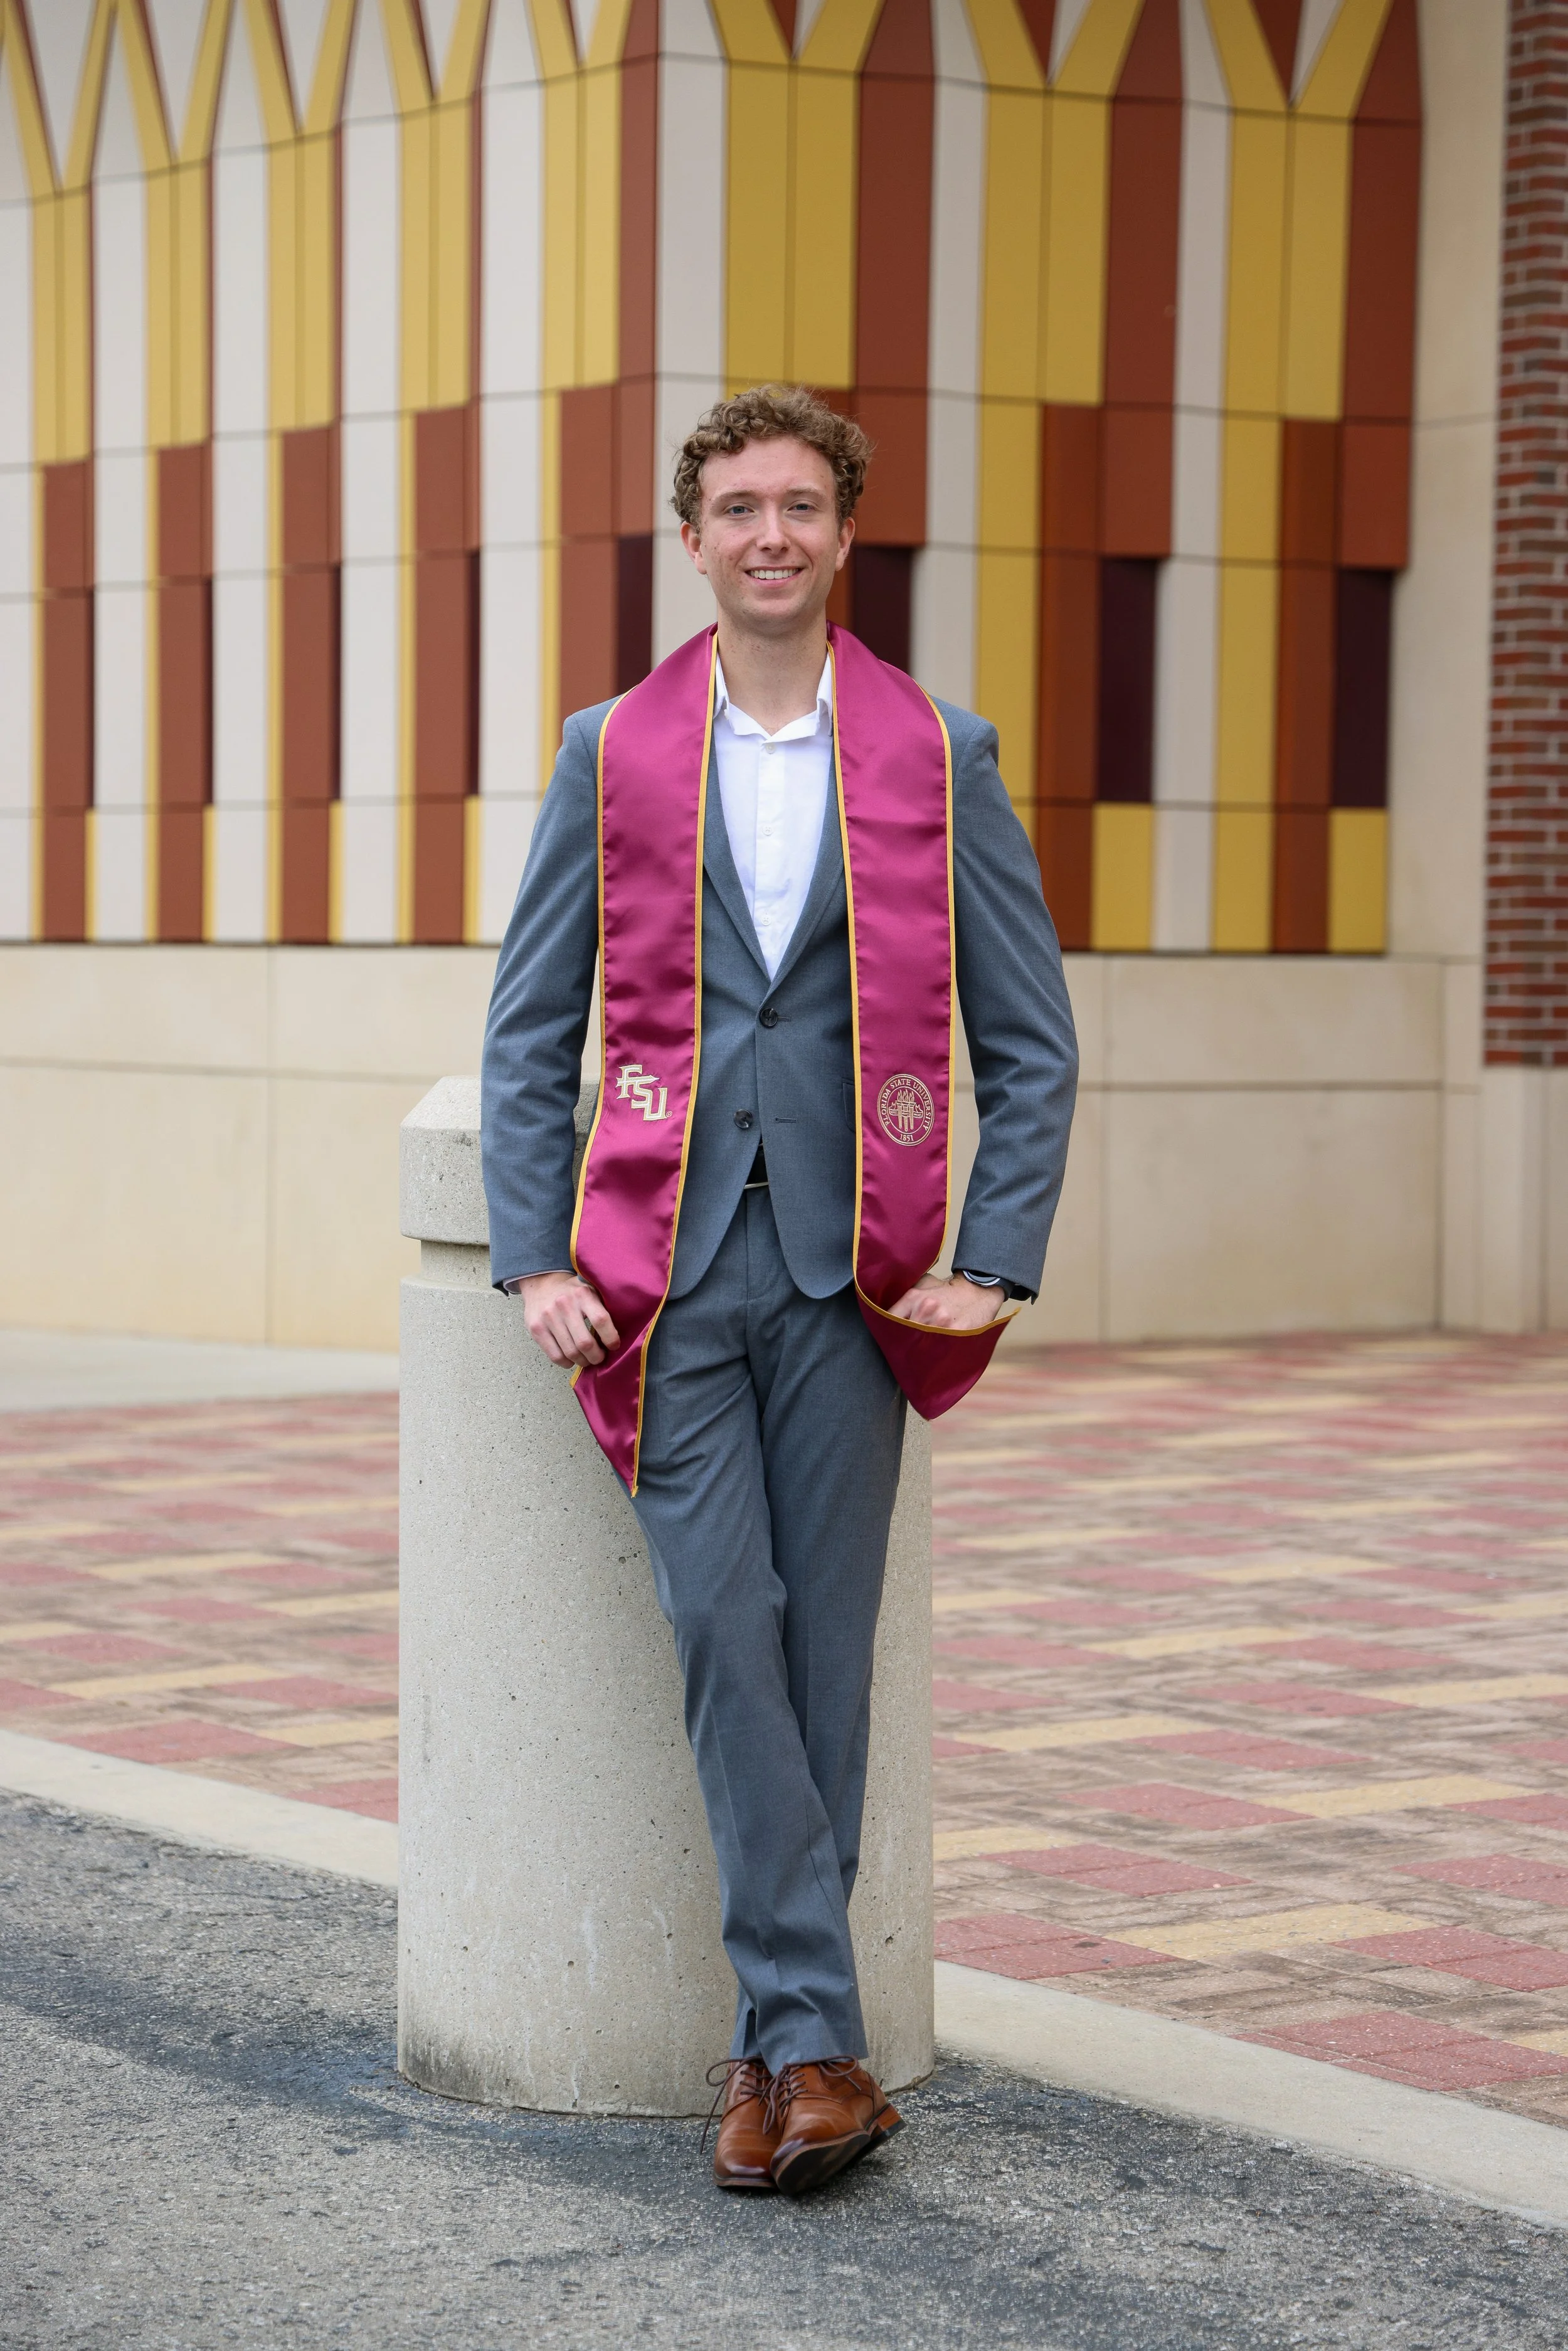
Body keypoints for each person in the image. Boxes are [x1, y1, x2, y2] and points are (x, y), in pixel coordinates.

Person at [481, 385, 1078, 2197]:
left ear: (842, 533)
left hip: (854, 1273)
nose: (769, 534)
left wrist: (996, 1254)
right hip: (659, 1273)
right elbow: (530, 1025)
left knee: (824, 1658)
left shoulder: (938, 750)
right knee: (723, 1629)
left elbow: (1030, 1039)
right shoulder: (611, 748)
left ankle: (783, 2055)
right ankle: (818, 2042)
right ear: (694, 539)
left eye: (800, 505)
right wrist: (531, 1251)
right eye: (738, 506)